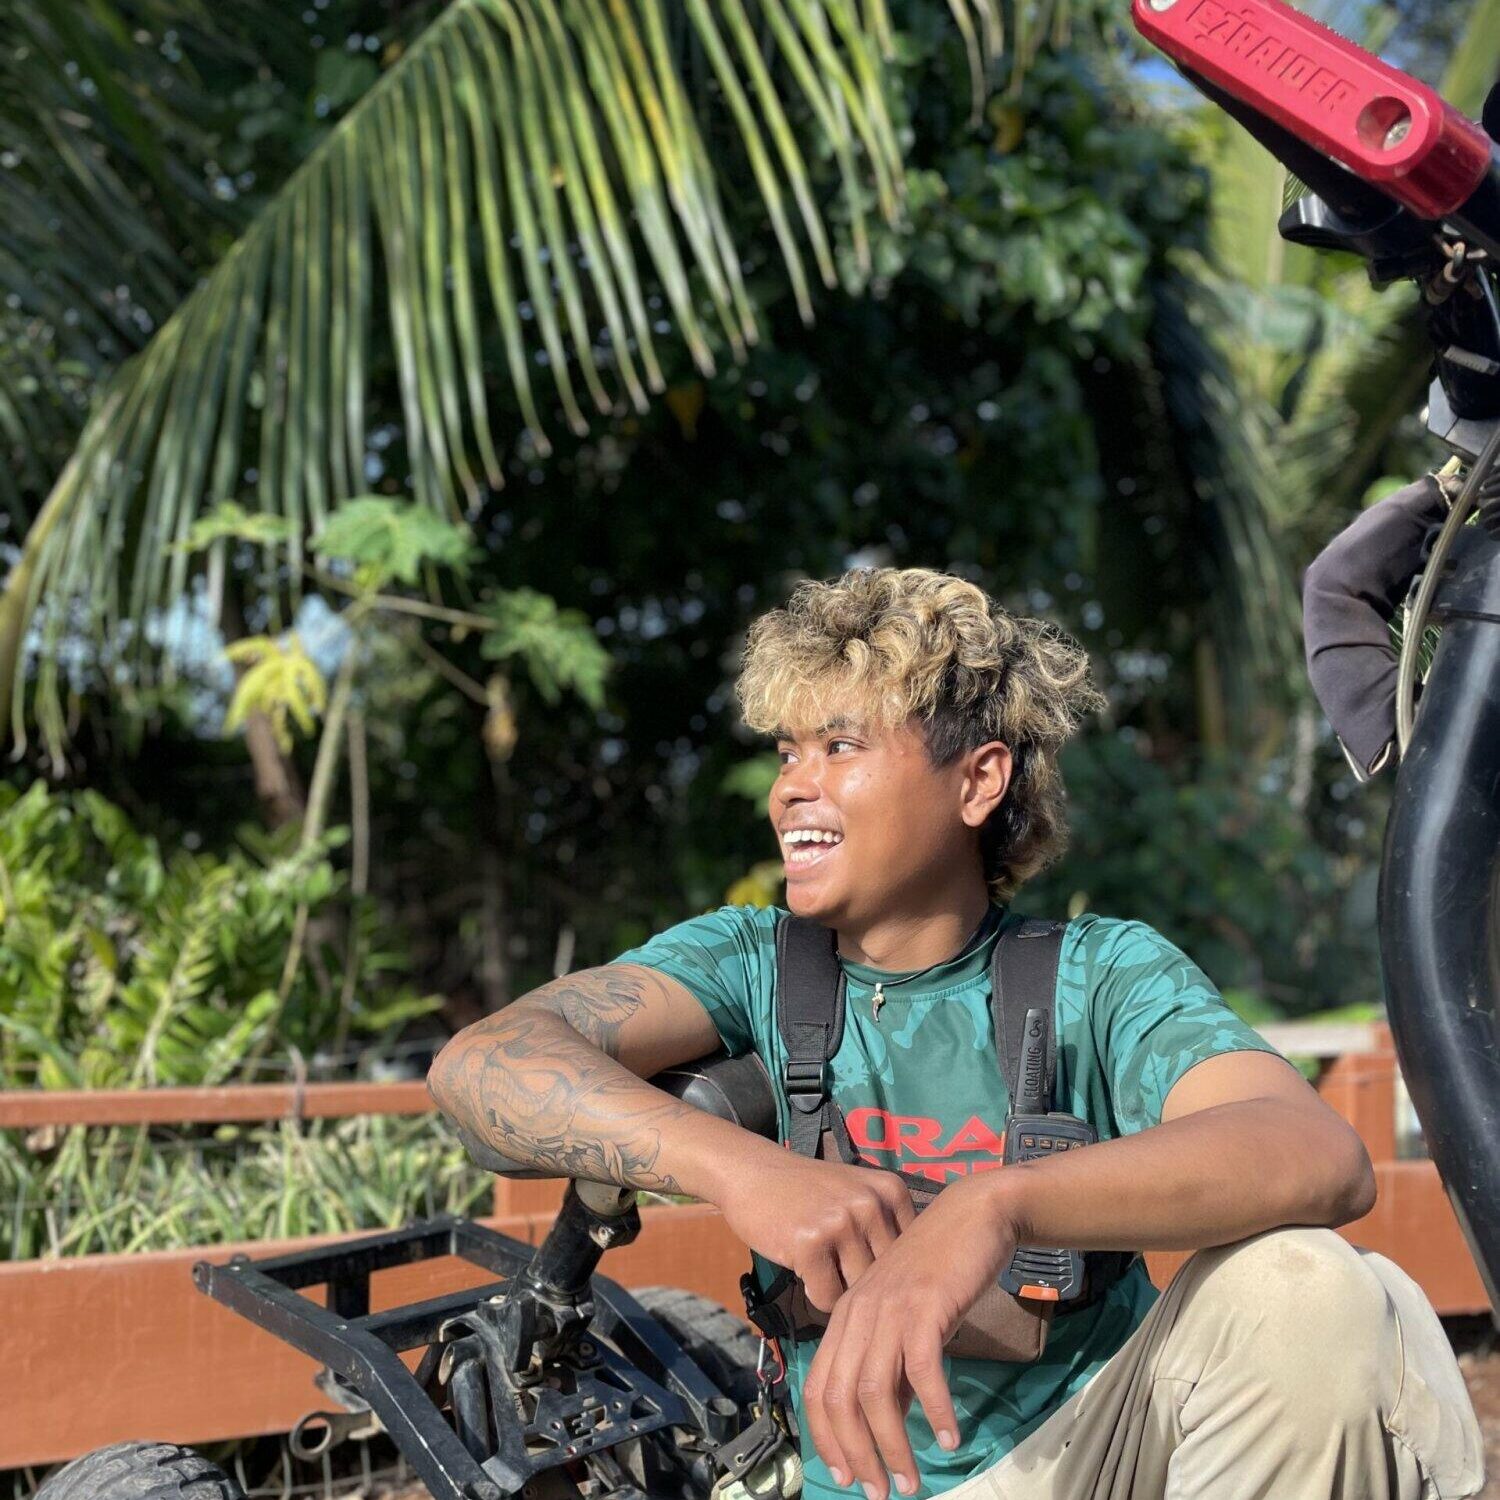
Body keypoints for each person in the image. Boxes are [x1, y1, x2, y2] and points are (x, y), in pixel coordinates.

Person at [428, 567, 1483, 1500]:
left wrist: (995, 1206)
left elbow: (1314, 1152)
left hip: (1097, 1451)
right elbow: (481, 1067)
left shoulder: (1099, 976)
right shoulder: (750, 961)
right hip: (866, 1483)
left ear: (978, 780)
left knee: (1314, 1289)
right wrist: (746, 1173)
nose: (792, 785)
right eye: (789, 751)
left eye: (841, 745)